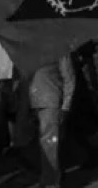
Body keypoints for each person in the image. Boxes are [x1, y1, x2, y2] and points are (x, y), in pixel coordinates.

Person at [28, 56, 75, 188]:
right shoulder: (29, 47)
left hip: (51, 101)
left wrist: (66, 106)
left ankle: (51, 182)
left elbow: (69, 78)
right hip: (36, 102)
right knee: (43, 144)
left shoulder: (59, 48)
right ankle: (48, 177)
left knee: (50, 144)